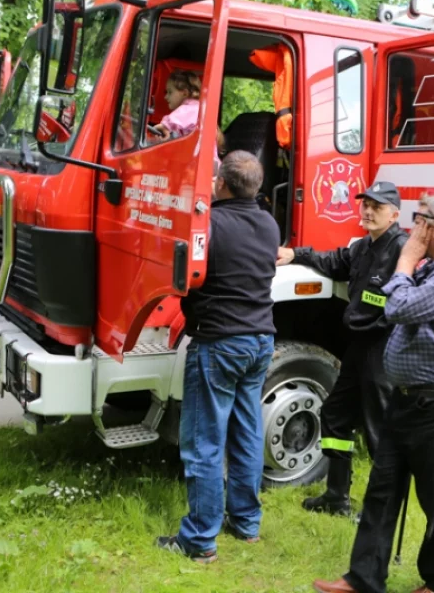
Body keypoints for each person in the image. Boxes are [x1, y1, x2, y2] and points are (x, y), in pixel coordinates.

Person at [313, 194, 434, 593]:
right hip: (406, 399)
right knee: (382, 490)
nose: (410, 230)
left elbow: (400, 306)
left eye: (418, 221)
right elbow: (393, 307)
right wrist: (409, 272)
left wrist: (405, 262)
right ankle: (364, 578)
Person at [156, 151, 279, 564]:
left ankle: (199, 539)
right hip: (260, 340)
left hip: (220, 344)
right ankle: (245, 524)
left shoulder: (208, 225)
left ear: (220, 184)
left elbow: (187, 272)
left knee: (205, 443)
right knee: (246, 434)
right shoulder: (268, 223)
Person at [277, 181, 408, 517]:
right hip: (357, 348)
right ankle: (337, 497)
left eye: (376, 207)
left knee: (379, 430)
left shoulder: (403, 251)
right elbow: (335, 261)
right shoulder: (364, 247)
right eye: (365, 204)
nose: (367, 211)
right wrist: (296, 254)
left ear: (394, 214)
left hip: (383, 350)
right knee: (335, 416)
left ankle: (382, 510)